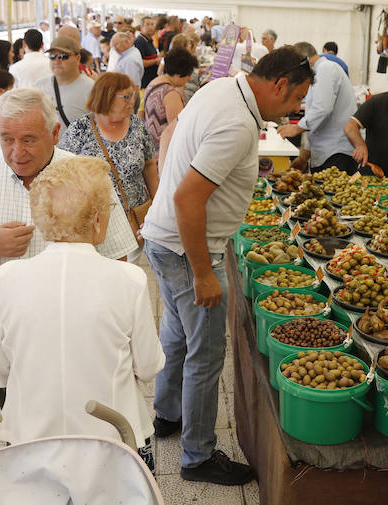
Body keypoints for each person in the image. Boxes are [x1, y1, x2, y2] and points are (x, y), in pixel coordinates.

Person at [140, 46, 312, 486]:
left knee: (176, 337)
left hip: (163, 239)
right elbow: (188, 197)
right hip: (188, 249)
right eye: (297, 98)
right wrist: (203, 272)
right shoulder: (237, 123)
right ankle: (197, 456)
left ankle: (167, 416)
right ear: (278, 85)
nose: (297, 109)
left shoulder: (221, 88)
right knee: (206, 354)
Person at [0, 155, 165, 472]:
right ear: (96, 220)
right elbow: (149, 367)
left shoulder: (6, 279)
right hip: (113, 440)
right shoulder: (128, 279)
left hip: (31, 441)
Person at [0, 86, 136, 313]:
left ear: (54, 133)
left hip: (75, 314)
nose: (17, 152)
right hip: (1, 315)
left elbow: (117, 255)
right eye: (7, 139)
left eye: (29, 140)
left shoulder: (88, 177)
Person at [58, 73, 156, 258]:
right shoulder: (80, 130)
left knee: (127, 276)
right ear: (106, 97)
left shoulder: (137, 125)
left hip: (134, 222)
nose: (132, 102)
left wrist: (157, 209)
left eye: (133, 95)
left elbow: (150, 166)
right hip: (94, 226)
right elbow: (62, 175)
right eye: (126, 97)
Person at [277, 42, 357, 173]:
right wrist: (304, 157)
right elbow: (316, 122)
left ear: (305, 60)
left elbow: (322, 109)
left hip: (336, 152)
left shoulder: (326, 69)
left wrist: (296, 128)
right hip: (326, 152)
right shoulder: (317, 73)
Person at [34, 36, 93, 138]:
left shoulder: (92, 89)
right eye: (52, 56)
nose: (56, 61)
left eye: (63, 56)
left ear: (78, 58)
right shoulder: (39, 86)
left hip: (80, 153)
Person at [143, 48, 197, 151]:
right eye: (188, 75)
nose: (189, 79)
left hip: (151, 145)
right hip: (163, 149)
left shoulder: (154, 82)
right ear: (178, 75)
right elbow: (178, 128)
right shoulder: (170, 94)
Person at [134, 15, 159, 89]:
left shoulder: (149, 40)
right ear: (141, 27)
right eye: (148, 24)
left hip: (151, 81)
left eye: (152, 24)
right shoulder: (139, 42)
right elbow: (140, 62)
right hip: (144, 83)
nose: (151, 27)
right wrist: (155, 61)